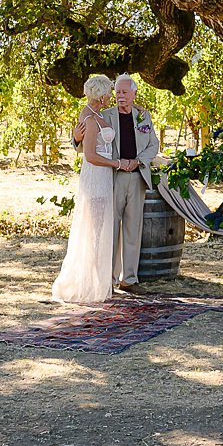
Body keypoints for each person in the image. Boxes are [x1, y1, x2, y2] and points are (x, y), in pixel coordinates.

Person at [50, 75, 119, 303]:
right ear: (101, 94)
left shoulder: (98, 114)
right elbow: (89, 154)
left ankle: (98, 280)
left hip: (105, 175)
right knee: (95, 231)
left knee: (100, 230)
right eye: (109, 91)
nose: (111, 95)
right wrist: (116, 164)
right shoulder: (89, 117)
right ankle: (88, 283)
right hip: (97, 175)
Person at [105, 74, 161, 295]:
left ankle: (128, 279)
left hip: (137, 177)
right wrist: (76, 138)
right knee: (110, 229)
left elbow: (153, 145)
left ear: (134, 93)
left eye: (124, 92)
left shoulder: (143, 117)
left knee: (133, 229)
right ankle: (107, 279)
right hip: (113, 177)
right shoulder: (105, 116)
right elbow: (88, 140)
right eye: (117, 92)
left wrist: (138, 161)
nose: (120, 96)